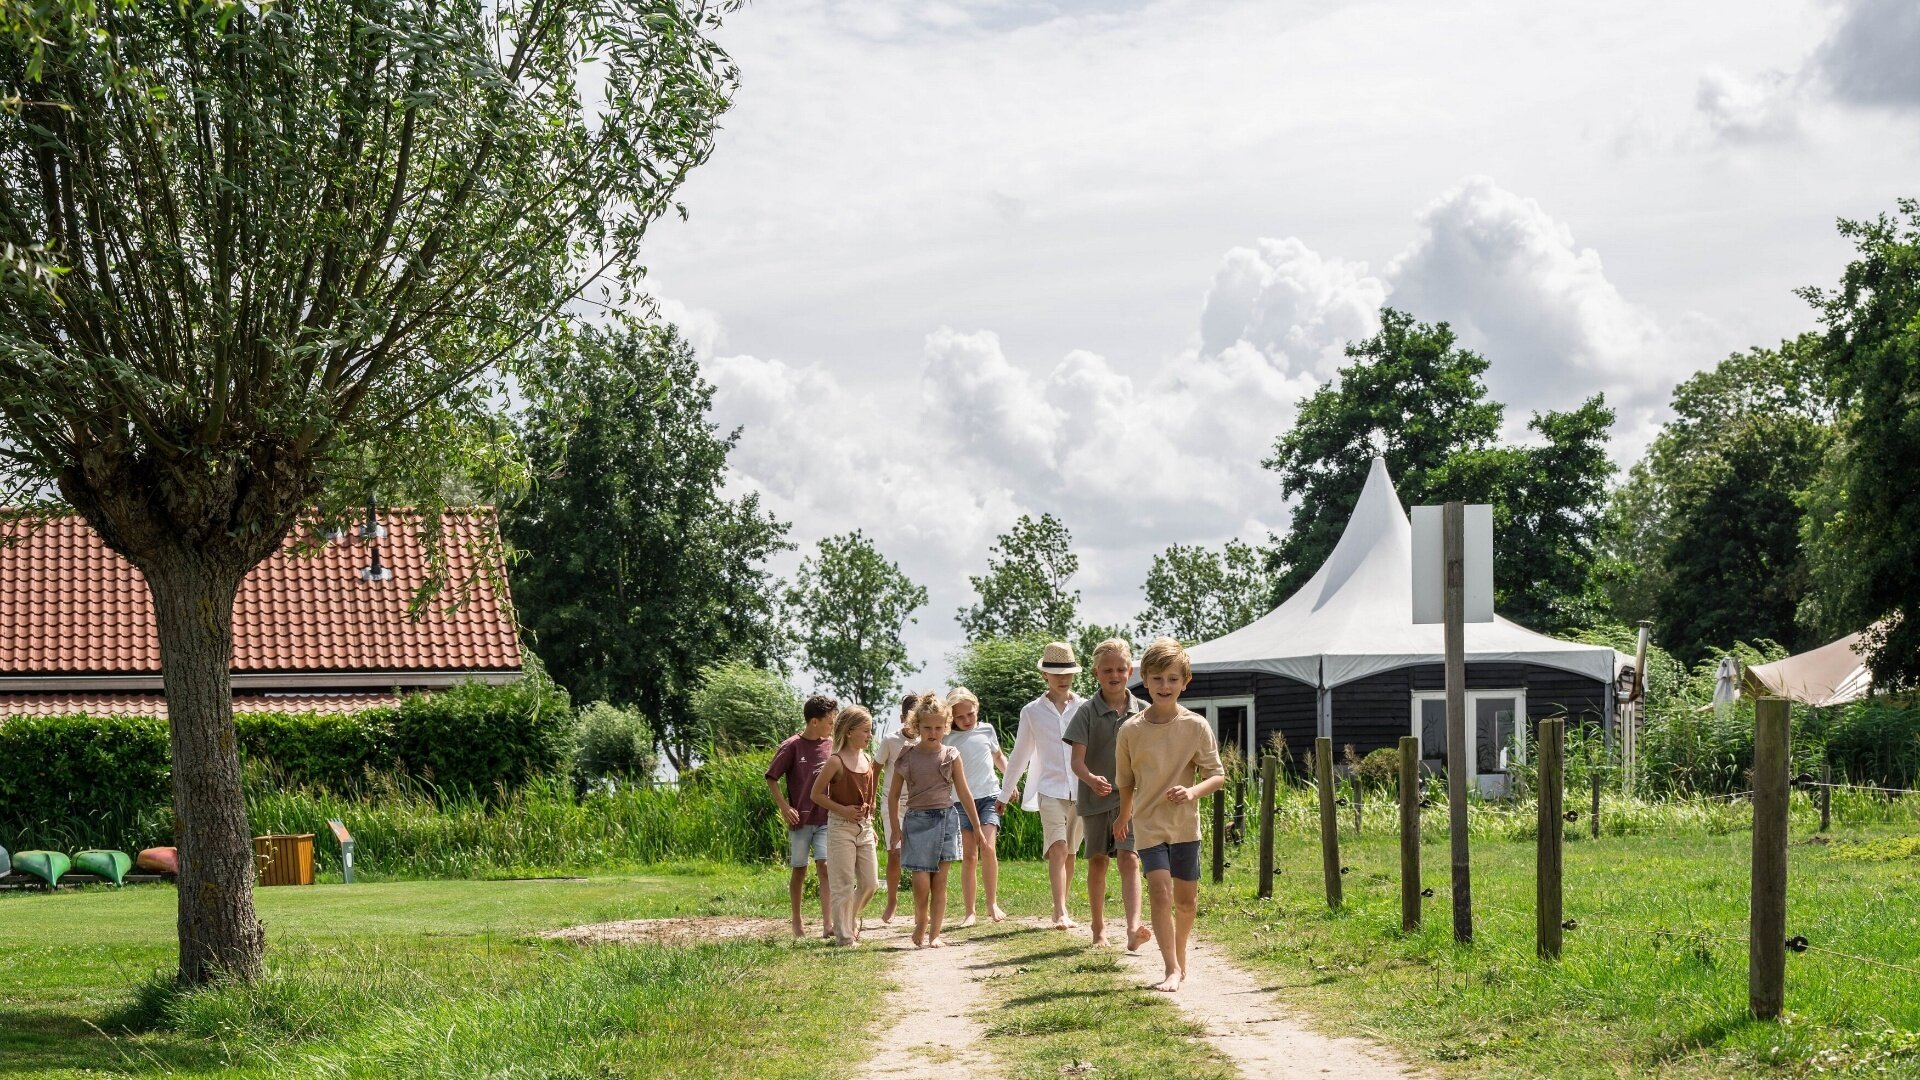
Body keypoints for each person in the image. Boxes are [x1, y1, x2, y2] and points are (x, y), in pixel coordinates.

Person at [1113, 637, 1225, 992]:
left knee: (1186, 903)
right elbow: (1125, 782)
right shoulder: (1130, 730)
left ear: (1185, 682)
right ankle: (1171, 968)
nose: (1165, 685)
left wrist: (1191, 792)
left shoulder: (1196, 726)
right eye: (1158, 678)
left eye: (1173, 679)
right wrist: (1123, 816)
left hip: (1185, 826)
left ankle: (1180, 953)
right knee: (1160, 891)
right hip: (1148, 824)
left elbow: (1217, 775)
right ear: (1144, 680)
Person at [1065, 637, 1152, 949]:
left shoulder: (1144, 712)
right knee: (1099, 861)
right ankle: (1098, 928)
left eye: (1120, 669)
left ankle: (1133, 929)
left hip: (1131, 798)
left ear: (1130, 671)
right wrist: (1091, 779)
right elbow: (1076, 762)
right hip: (1095, 799)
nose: (1114, 675)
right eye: (1107, 670)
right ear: (1096, 674)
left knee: (1130, 858)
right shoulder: (1086, 712)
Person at [888, 693, 985, 948]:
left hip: (946, 819)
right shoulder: (908, 756)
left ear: (946, 726)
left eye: (939, 728)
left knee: (940, 882)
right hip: (917, 820)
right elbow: (894, 795)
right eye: (927, 728)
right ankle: (922, 919)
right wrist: (895, 827)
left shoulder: (951, 754)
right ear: (916, 726)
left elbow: (964, 792)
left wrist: (976, 826)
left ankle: (935, 934)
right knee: (921, 879)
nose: (933, 733)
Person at [1001, 640, 1085, 931]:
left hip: (1081, 789)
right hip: (1049, 789)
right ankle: (1060, 910)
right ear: (1044, 675)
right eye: (1056, 673)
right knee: (1058, 847)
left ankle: (1062, 905)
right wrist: (1004, 793)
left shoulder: (1085, 707)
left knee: (1071, 852)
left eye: (1068, 673)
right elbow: (1020, 754)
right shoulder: (1032, 711)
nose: (1063, 678)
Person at [766, 694, 839, 939]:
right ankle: (797, 921)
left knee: (825, 866)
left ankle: (828, 924)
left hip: (825, 818)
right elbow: (771, 778)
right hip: (800, 821)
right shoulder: (791, 746)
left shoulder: (831, 745)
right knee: (799, 870)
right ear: (814, 721)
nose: (832, 727)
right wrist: (785, 807)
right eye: (829, 722)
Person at [811, 705, 880, 947]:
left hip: (864, 827)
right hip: (840, 827)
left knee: (870, 883)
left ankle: (847, 921)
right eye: (866, 730)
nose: (870, 735)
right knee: (843, 884)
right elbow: (816, 794)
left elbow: (870, 797)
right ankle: (845, 938)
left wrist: (871, 825)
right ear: (849, 732)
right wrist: (843, 810)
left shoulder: (868, 760)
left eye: (870, 730)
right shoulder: (835, 761)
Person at [943, 687, 1008, 925]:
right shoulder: (946, 738)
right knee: (970, 855)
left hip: (989, 796)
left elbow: (998, 757)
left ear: (977, 709)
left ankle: (992, 903)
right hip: (959, 802)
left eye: (970, 714)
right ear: (951, 717)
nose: (967, 720)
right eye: (960, 717)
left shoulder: (987, 730)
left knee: (988, 848)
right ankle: (970, 911)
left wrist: (1010, 782)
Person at [874, 693, 921, 924]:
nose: (913, 725)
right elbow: (874, 770)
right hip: (892, 803)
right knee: (895, 852)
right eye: (909, 719)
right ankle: (892, 901)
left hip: (918, 803)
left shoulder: (927, 739)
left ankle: (920, 907)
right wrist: (871, 800)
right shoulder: (890, 741)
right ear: (902, 718)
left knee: (920, 856)